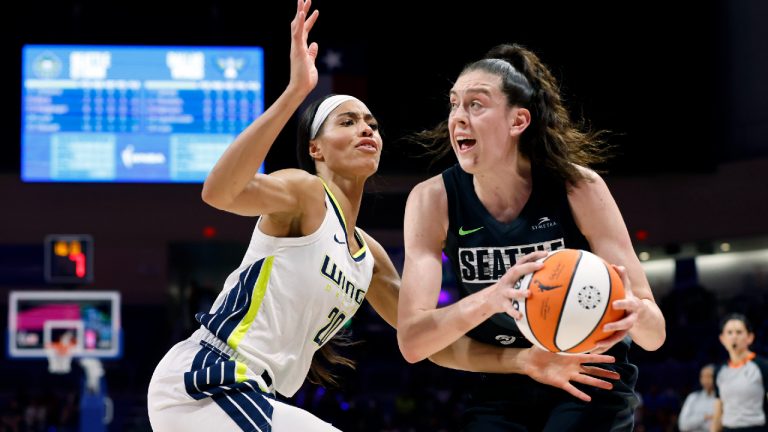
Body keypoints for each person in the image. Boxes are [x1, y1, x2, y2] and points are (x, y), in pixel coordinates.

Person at [146, 3, 621, 430]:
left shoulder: (367, 256)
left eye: (371, 122)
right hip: (208, 381)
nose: (366, 129)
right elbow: (219, 191)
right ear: (315, 148)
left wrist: (522, 361)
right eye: (347, 121)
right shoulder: (304, 192)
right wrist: (295, 94)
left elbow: (433, 342)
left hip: (253, 396)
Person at [397, 43, 667, 431]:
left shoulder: (578, 186)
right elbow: (414, 342)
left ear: (518, 120)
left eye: (476, 104)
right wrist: (494, 299)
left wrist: (635, 314)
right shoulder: (431, 199)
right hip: (502, 379)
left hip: (588, 373)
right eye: (454, 104)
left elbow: (654, 335)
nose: (457, 117)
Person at [711, 313, 768, 432]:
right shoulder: (720, 371)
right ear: (722, 339)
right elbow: (718, 410)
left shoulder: (762, 366)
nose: (734, 337)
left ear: (750, 337)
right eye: (729, 332)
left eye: (739, 332)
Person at [678, 364, 717, 432]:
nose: (705, 380)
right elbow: (683, 425)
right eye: (703, 376)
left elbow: (716, 427)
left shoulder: (721, 400)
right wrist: (705, 417)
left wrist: (694, 421)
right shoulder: (692, 397)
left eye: (709, 376)